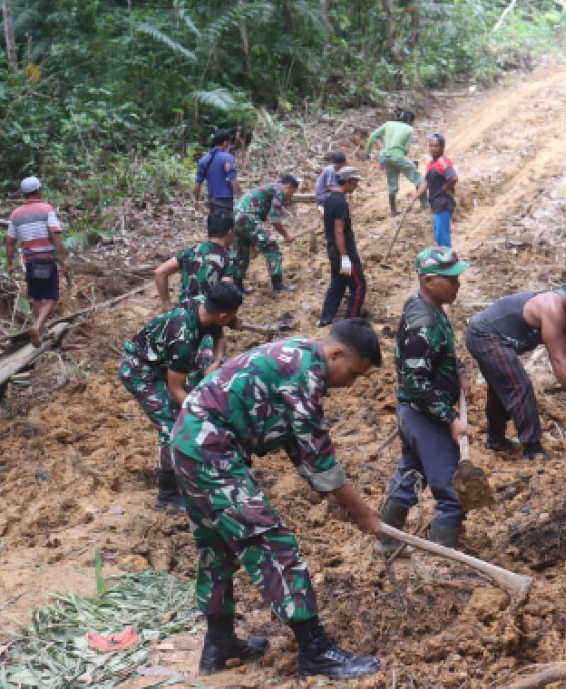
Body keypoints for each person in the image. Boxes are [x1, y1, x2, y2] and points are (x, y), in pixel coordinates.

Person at [170, 319, 385, 678]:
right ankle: (316, 650)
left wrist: (334, 500)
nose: (350, 384)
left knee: (217, 547)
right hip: (211, 451)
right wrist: (363, 511)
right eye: (354, 374)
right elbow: (320, 456)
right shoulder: (304, 374)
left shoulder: (295, 357)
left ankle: (219, 643)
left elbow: (296, 445)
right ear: (336, 353)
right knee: (271, 542)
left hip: (190, 445)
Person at [119, 283, 245, 510]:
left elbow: (218, 335)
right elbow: (175, 389)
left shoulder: (203, 305)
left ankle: (191, 465)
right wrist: (201, 414)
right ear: (223, 314)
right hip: (140, 371)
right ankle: (167, 495)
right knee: (173, 425)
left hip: (162, 362)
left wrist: (217, 360)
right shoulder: (183, 339)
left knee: (190, 409)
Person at [377, 247, 471, 552]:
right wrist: (450, 418)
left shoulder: (427, 307)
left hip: (415, 412)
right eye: (451, 279)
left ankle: (387, 540)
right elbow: (414, 379)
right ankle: (442, 558)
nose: (458, 285)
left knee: (410, 475)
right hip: (425, 415)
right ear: (429, 281)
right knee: (451, 492)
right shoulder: (424, 325)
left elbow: (433, 359)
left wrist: (458, 371)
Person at [465, 272, 566, 460]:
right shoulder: (553, 307)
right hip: (484, 334)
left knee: (502, 387)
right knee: (519, 385)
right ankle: (533, 449)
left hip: (499, 340)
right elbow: (558, 359)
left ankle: (496, 441)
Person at [5, 176, 70, 348]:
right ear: (38, 190)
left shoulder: (15, 214)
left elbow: (10, 242)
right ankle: (37, 326)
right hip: (47, 259)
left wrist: (9, 264)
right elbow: (56, 236)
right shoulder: (46, 209)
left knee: (37, 297)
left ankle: (40, 334)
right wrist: (64, 259)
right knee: (52, 297)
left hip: (30, 261)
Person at [154, 210, 240, 310]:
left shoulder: (191, 251)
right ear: (230, 233)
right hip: (207, 316)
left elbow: (159, 272)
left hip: (183, 314)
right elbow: (227, 294)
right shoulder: (229, 258)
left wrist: (166, 303)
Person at [232, 174, 299, 294]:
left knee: (241, 253)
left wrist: (252, 247)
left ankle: (237, 288)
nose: (290, 198)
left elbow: (250, 230)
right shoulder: (280, 189)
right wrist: (286, 235)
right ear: (288, 186)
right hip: (247, 217)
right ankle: (278, 286)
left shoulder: (266, 192)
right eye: (292, 193)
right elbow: (274, 218)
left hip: (235, 218)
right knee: (272, 248)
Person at [318, 166, 367, 327]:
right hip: (343, 251)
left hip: (333, 250)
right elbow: (339, 231)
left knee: (338, 284)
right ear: (348, 181)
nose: (357, 186)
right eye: (355, 182)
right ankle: (350, 322)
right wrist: (345, 257)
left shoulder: (330, 199)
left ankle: (326, 319)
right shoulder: (340, 203)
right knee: (359, 286)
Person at [366, 110, 426, 217]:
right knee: (418, 179)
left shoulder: (388, 124)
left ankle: (393, 210)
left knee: (392, 184)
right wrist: (409, 163)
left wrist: (368, 152)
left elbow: (372, 136)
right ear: (409, 120)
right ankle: (424, 203)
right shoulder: (409, 129)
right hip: (398, 156)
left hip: (385, 157)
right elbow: (405, 150)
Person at [406, 133, 459, 247]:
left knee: (442, 236)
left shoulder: (443, 161)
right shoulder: (431, 164)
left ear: (442, 147)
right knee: (439, 235)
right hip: (436, 203)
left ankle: (448, 261)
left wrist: (445, 188)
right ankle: (445, 260)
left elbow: (453, 178)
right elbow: (426, 183)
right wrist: (413, 198)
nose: (433, 149)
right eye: (431, 146)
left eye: (436, 146)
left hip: (443, 203)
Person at [193, 130, 241, 219]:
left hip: (212, 201)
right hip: (225, 201)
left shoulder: (204, 160)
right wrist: (241, 196)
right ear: (225, 142)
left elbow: (197, 183)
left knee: (215, 226)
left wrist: (196, 200)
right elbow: (233, 179)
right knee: (226, 227)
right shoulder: (227, 158)